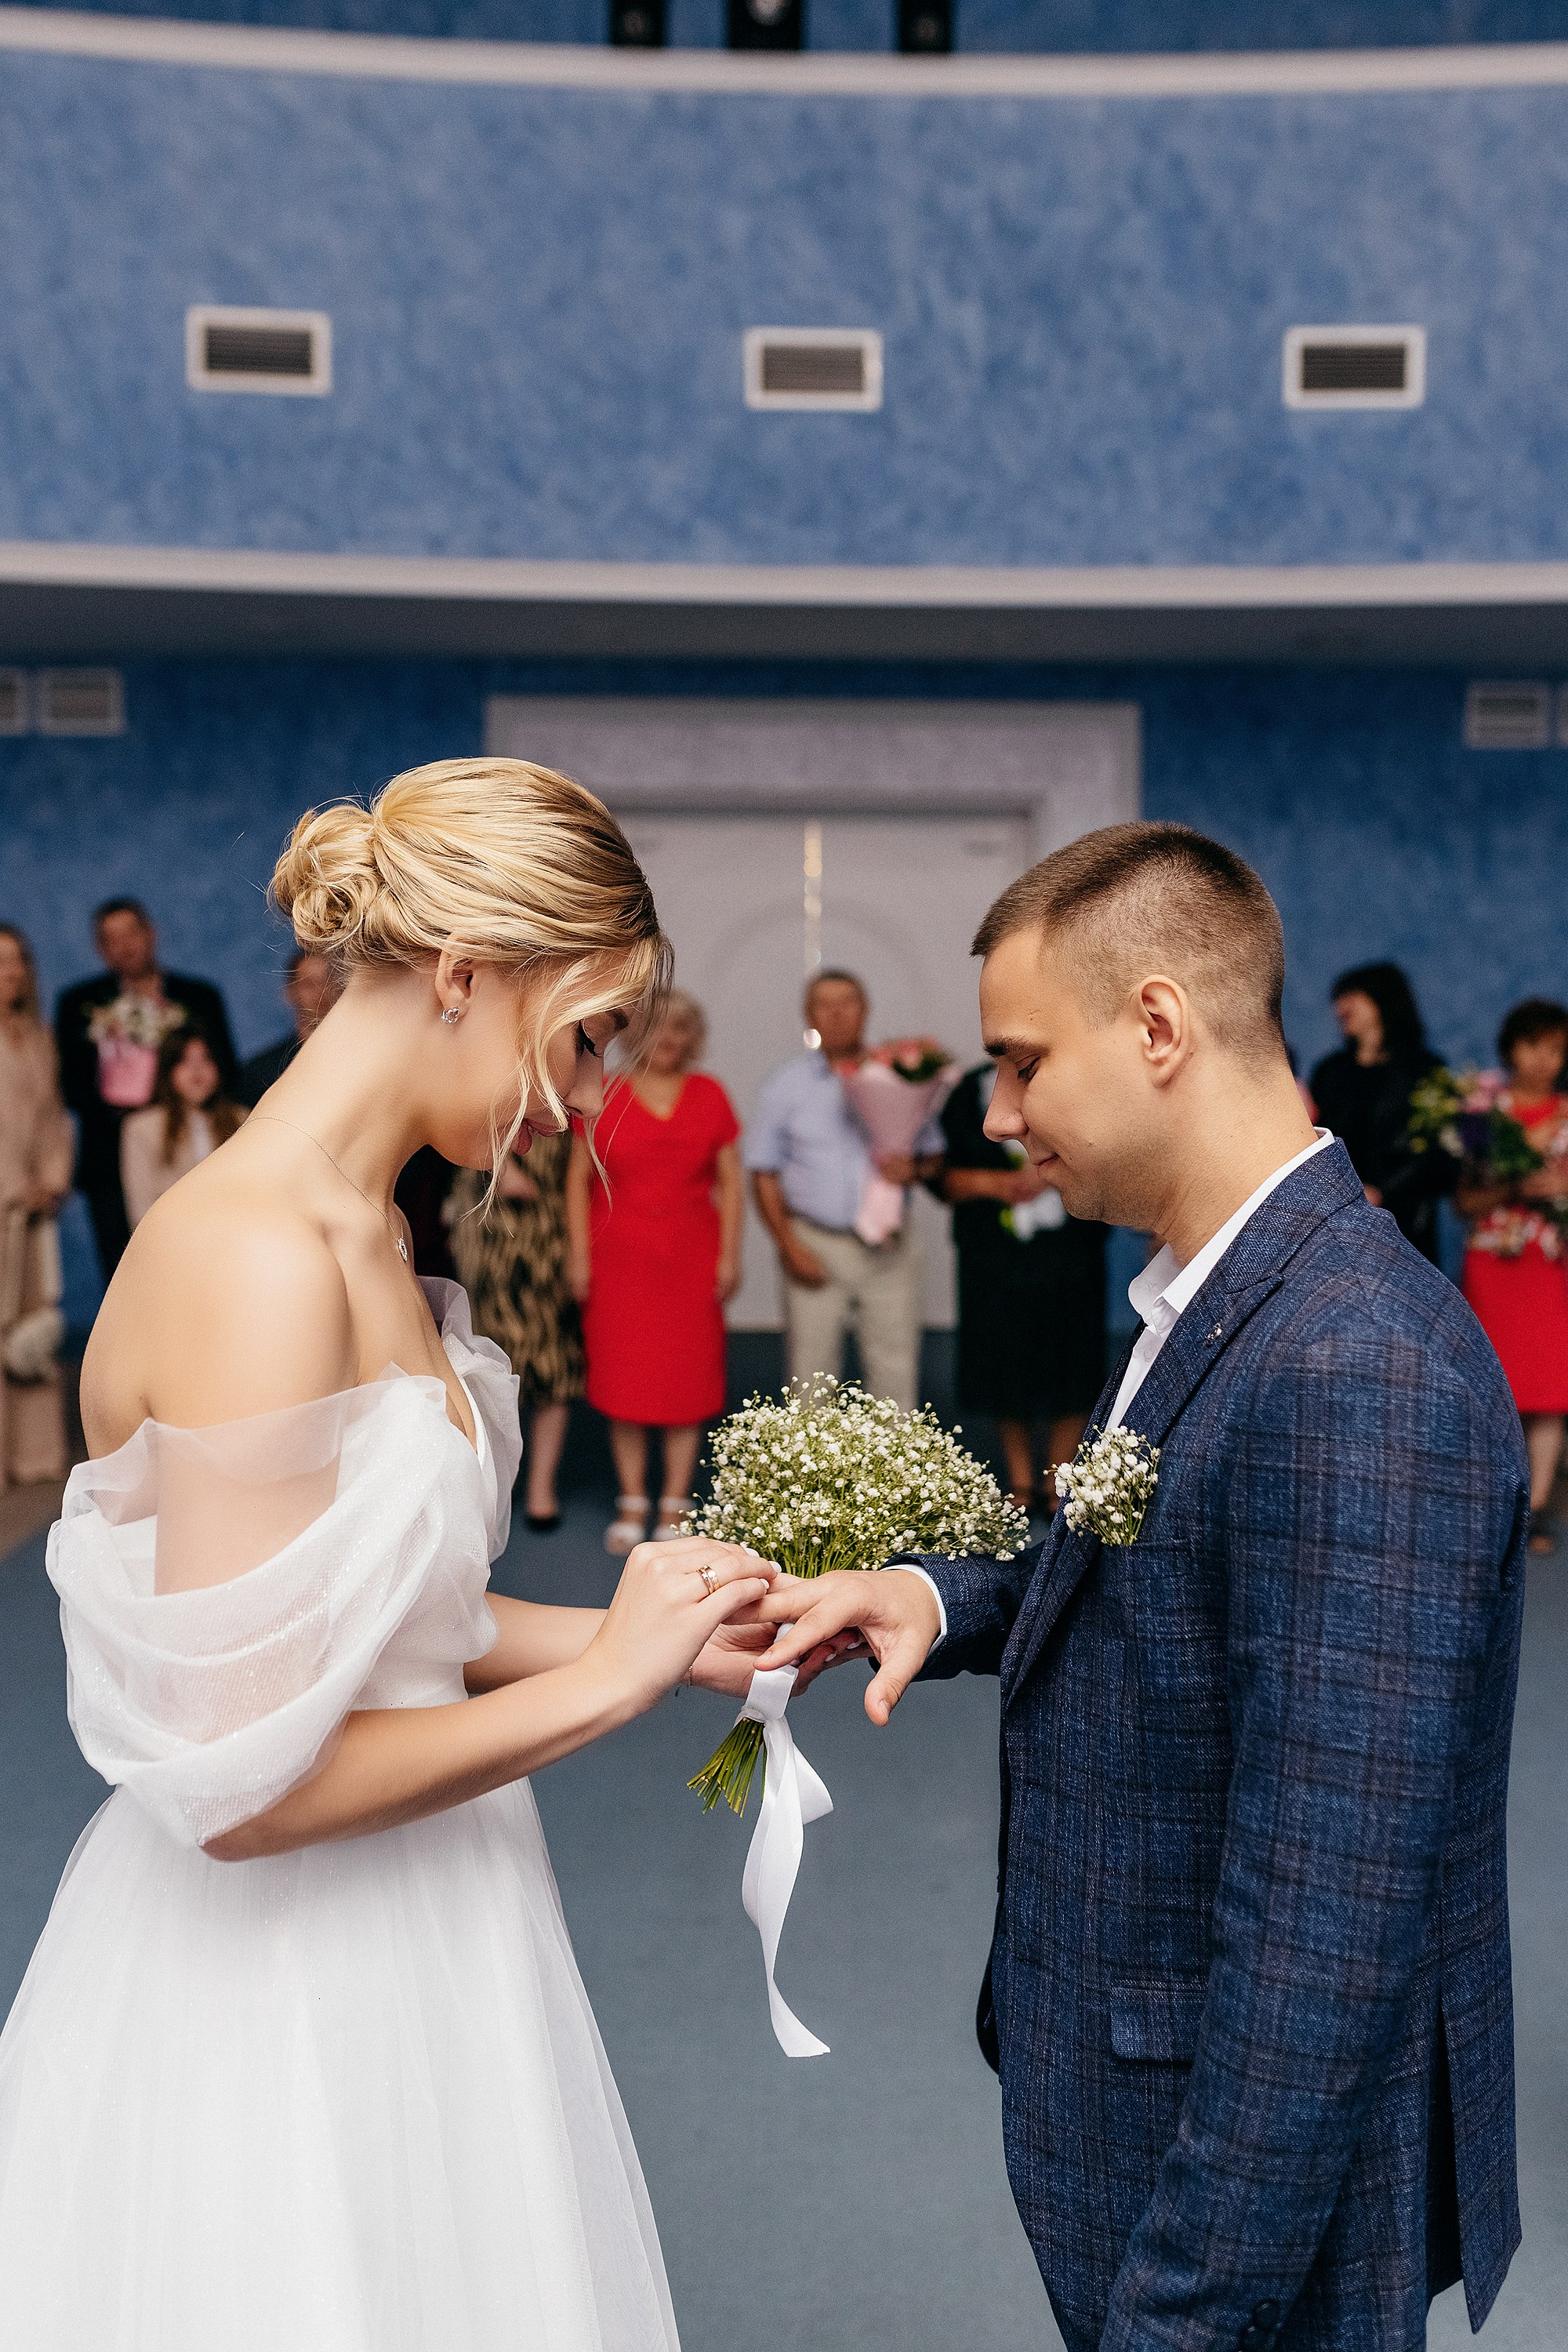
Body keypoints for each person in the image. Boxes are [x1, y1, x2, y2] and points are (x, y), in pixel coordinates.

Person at [0, 758, 789, 2350]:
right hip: (286, 1982)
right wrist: (610, 1693)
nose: (586, 1094)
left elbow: (395, 1624)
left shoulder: (372, 1233)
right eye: (583, 1035)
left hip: (444, 1903)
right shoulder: (255, 1260)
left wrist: (635, 1628)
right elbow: (248, 1782)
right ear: (461, 973)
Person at [761, 822, 1526, 2352]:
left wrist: (1175, 2324)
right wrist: (934, 1597)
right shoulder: (1212, 1292)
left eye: (1022, 1061)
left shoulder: (1352, 1367)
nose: (996, 1110)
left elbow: (1323, 1936)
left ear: (1158, 1027)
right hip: (1135, 2116)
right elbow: (1150, 1562)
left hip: (1242, 2201)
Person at [567, 990, 742, 1553]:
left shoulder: (711, 1094)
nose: (672, 1040)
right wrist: (578, 1255)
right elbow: (577, 1181)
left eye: (682, 1030)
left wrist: (731, 1255)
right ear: (639, 1034)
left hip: (691, 1256)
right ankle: (632, 1499)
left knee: (687, 1381)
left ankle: (674, 1500)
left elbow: (733, 1185)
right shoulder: (606, 1091)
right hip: (619, 1257)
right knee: (626, 1378)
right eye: (661, 1029)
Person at [745, 969, 944, 1410]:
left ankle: (898, 1476)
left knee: (895, 1369)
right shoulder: (786, 1086)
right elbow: (762, 1172)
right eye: (824, 1004)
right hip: (815, 1242)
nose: (837, 1014)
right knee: (811, 1375)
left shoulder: (904, 1075)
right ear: (808, 1014)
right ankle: (811, 1479)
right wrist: (787, 1246)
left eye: (848, 1002)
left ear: (866, 1010)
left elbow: (935, 1158)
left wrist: (912, 1168)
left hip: (889, 1244)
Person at [940, 1060, 1107, 1515]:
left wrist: (1052, 1172)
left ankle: (1059, 1482)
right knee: (1003, 1366)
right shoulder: (968, 1091)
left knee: (1073, 1363)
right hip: (992, 1260)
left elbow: (1106, 1151)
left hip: (1071, 1253)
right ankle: (1019, 1482)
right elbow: (942, 1175)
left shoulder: (1075, 1079)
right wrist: (993, 1183)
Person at [54, 898, 238, 1280]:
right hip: (108, 1155)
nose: (125, 945)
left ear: (151, 933)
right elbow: (70, 1084)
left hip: (187, 1146)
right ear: (100, 950)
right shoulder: (80, 1004)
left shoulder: (198, 997)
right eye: (111, 939)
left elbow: (227, 1069)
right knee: (123, 1269)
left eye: (131, 933)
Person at [1457, 996, 1568, 1552]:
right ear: (1512, 1048)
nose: (1545, 1059)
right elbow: (1463, 1200)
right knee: (1490, 1384)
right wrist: (1512, 1188)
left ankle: (1538, 1507)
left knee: (1549, 1387)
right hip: (1493, 1263)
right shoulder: (1482, 1116)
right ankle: (1491, 1505)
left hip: (1549, 1264)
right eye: (1534, 1045)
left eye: (1555, 1048)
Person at [449, 1125, 583, 1532]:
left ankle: (541, 1487)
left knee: (553, 1359)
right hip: (495, 1227)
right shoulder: (486, 1069)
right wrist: (500, 1163)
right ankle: (490, 1485)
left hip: (553, 1222)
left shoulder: (571, 1075)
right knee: (488, 1357)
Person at [1308, 961, 1449, 1261]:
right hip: (1338, 1220)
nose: (1340, 1006)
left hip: (1407, 1225)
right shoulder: (1330, 1073)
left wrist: (1383, 1191)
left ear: (1381, 999)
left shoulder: (1425, 1070)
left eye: (1351, 995)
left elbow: (1437, 1155)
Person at [0, 925, 73, 1487]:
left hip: (31, 1210)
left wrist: (51, 1180)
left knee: (32, 1328)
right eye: (2, 963)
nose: (13, 973)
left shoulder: (40, 1036)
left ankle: (34, 1455)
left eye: (19, 961)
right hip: (5, 1198)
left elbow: (51, 1120)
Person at [120, 1025, 248, 1231]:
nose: (197, 1071)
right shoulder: (142, 1128)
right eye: (185, 1061)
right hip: (173, 1244)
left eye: (205, 1059)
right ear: (168, 1070)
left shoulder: (243, 1119)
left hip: (237, 1238)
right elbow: (141, 1211)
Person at [237, 948, 339, 1104]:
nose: (321, 991)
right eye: (309, 984)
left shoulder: (365, 1056)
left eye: (328, 981)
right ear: (289, 993)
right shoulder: (263, 1072)